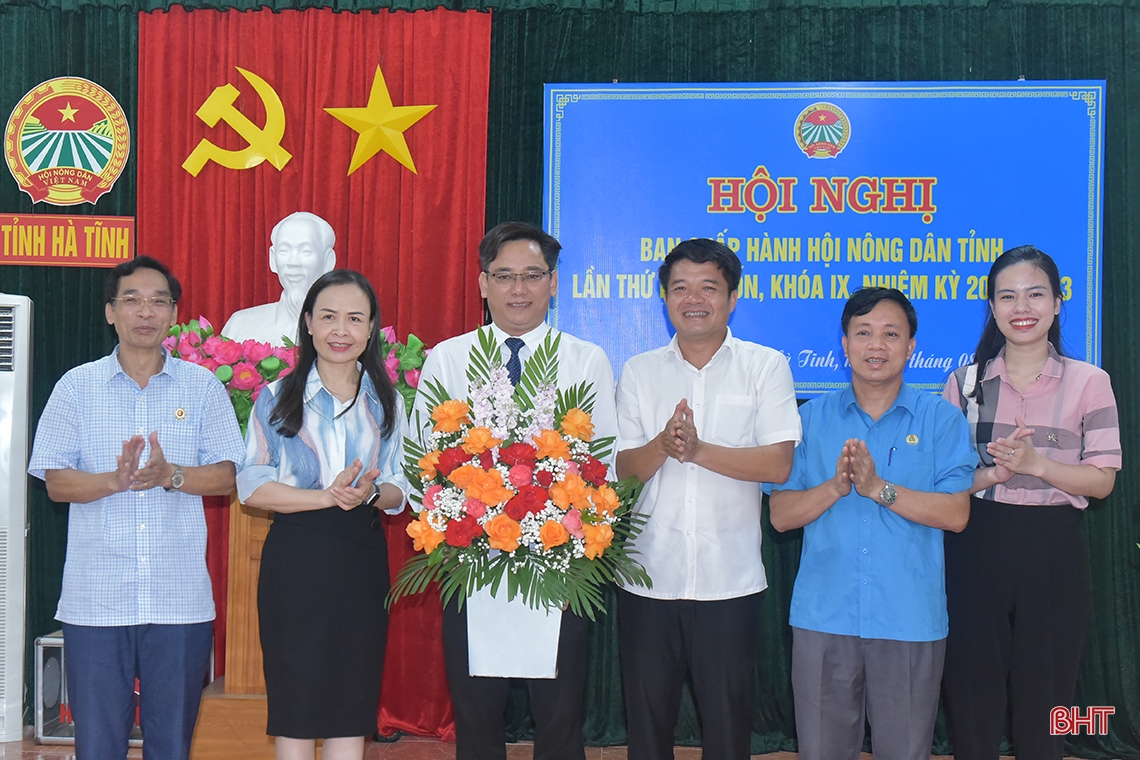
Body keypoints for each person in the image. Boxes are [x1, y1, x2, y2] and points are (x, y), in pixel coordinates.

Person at [410, 221, 618, 760]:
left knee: (560, 718)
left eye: (531, 276)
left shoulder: (585, 359)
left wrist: (564, 523)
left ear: (554, 283)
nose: (518, 290)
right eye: (504, 276)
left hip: (560, 561)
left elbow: (604, 464)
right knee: (477, 720)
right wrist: (455, 520)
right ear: (482, 284)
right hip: (470, 562)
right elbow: (419, 461)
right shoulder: (449, 358)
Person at [28, 255, 246, 760]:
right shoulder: (75, 388)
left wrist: (172, 475)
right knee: (98, 744)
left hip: (179, 600)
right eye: (132, 300)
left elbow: (227, 477)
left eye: (158, 302)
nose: (144, 312)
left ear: (174, 315)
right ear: (110, 312)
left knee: (171, 744)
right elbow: (56, 482)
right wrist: (115, 480)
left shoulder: (204, 387)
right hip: (97, 598)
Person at [768, 287, 977, 760]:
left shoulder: (941, 419)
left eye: (890, 334)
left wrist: (878, 488)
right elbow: (780, 516)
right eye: (863, 333)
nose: (876, 345)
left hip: (908, 618)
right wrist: (836, 489)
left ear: (911, 346)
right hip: (825, 616)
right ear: (844, 344)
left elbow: (957, 514)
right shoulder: (811, 418)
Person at [614, 238, 801, 760]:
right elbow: (621, 475)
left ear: (733, 297)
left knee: (727, 729)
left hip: (730, 583)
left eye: (708, 288)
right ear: (664, 297)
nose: (693, 299)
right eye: (680, 288)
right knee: (647, 733)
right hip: (648, 580)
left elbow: (778, 464)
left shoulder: (765, 367)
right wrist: (662, 445)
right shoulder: (638, 371)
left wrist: (696, 450)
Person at [940, 246, 1120, 760]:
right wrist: (993, 473)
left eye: (1036, 294)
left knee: (1045, 703)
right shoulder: (963, 384)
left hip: (1053, 550)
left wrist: (1038, 465)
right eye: (1008, 296)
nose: (1022, 307)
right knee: (972, 698)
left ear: (1058, 303)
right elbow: (947, 480)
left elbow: (1102, 481)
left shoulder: (1091, 382)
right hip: (976, 546)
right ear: (992, 307)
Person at [236, 269, 410, 760]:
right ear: (308, 322)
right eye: (329, 316)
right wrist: (327, 497)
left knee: (351, 692)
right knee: (297, 688)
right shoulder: (276, 396)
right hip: (297, 554)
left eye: (355, 319)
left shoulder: (388, 401)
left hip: (361, 555)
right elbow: (251, 485)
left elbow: (403, 489)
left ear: (372, 328)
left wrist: (371, 493)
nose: (341, 330)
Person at [222, 211, 337, 345]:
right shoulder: (240, 325)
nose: (293, 262)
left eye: (306, 251)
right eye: (284, 251)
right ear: (272, 259)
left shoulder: (347, 331)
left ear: (328, 261)